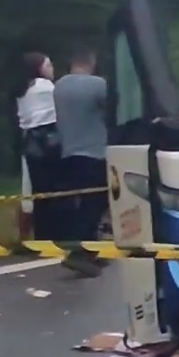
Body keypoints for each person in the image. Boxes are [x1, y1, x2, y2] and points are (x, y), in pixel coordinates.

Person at [53, 45, 108, 277]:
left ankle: (91, 251)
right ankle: (80, 253)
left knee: (82, 202)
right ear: (91, 61)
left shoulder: (59, 86)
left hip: (69, 152)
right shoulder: (97, 85)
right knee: (93, 205)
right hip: (95, 152)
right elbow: (111, 110)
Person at [15, 52, 60, 240]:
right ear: (39, 68)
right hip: (47, 140)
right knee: (53, 189)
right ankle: (54, 232)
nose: (52, 68)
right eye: (48, 65)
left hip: (29, 143)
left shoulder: (22, 89)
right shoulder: (46, 87)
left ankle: (31, 234)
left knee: (31, 191)